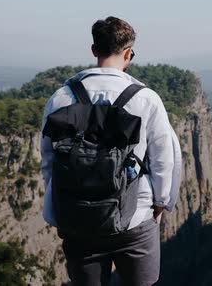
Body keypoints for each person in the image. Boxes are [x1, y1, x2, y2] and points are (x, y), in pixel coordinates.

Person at [40, 16, 182, 285]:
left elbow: (48, 159)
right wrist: (161, 203)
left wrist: (62, 204)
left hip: (77, 222)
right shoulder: (146, 98)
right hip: (135, 219)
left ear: (94, 50)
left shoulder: (60, 98)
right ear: (129, 53)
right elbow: (165, 160)